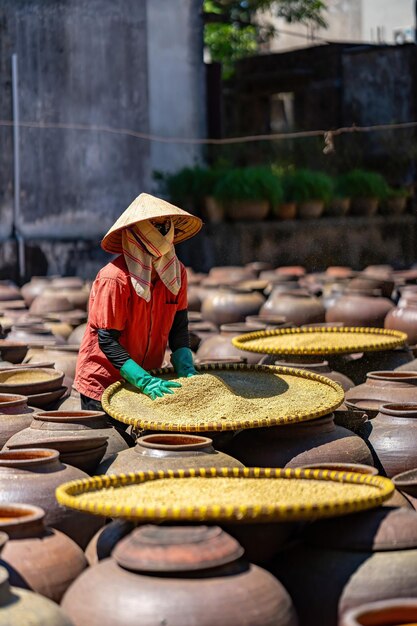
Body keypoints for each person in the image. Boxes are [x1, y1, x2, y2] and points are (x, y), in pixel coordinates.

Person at [74, 192, 203, 421]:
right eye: (154, 227)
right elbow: (107, 340)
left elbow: (178, 327)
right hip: (104, 383)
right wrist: (143, 380)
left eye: (165, 226)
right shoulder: (114, 279)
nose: (162, 232)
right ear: (137, 233)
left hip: (149, 379)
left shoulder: (177, 274)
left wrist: (186, 368)